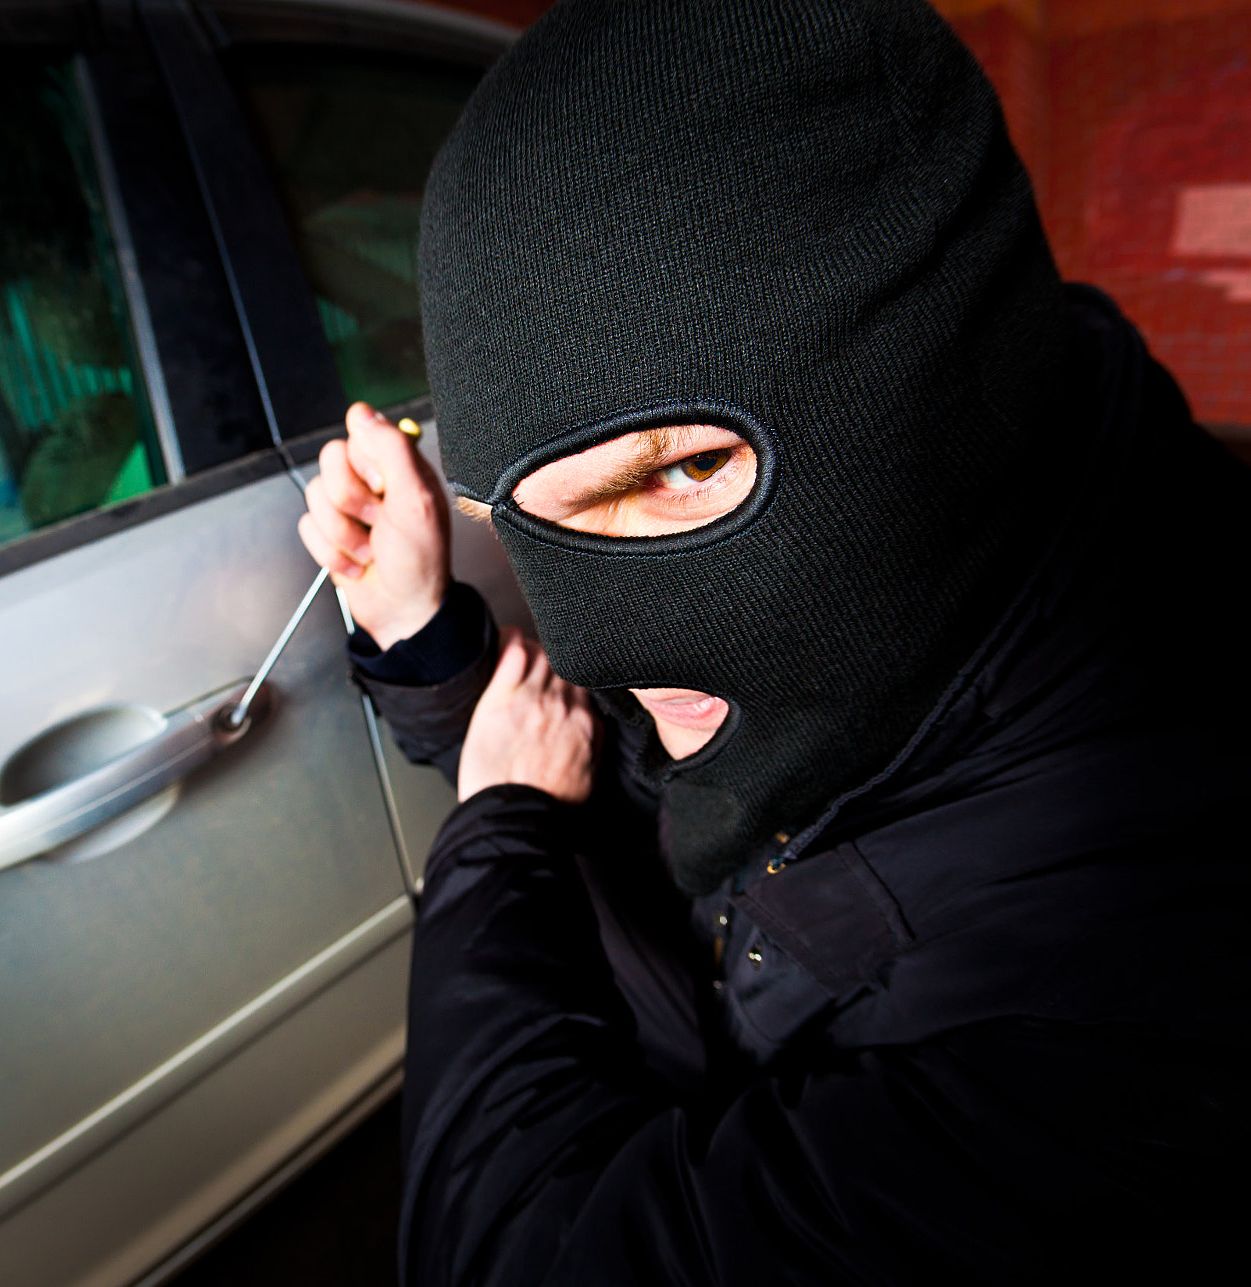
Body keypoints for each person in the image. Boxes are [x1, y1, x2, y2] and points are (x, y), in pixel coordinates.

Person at [298, 0, 1251, 1282]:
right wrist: (427, 646)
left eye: (682, 466)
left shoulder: (1138, 994)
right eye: (513, 515)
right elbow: (642, 783)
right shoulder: (869, 609)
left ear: (934, 376)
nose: (593, 647)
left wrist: (497, 833)